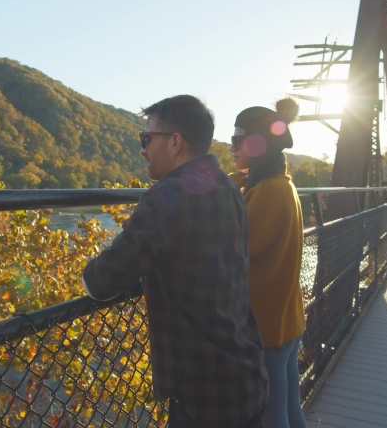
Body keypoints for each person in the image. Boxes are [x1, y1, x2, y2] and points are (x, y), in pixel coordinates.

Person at [81, 94, 268, 428]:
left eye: (146, 138)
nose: (143, 149)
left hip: (202, 395)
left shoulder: (167, 196)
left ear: (176, 141)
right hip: (246, 374)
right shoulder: (227, 187)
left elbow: (101, 281)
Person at [230, 98, 307, 428]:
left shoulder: (267, 193)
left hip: (267, 328)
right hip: (287, 322)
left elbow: (235, 247)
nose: (230, 148)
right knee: (291, 411)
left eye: (236, 141)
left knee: (273, 418)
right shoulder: (282, 185)